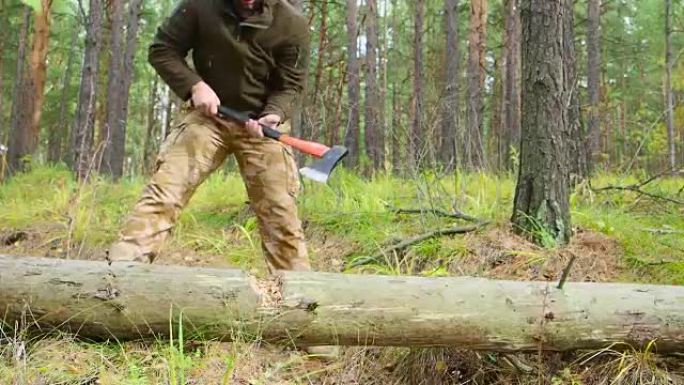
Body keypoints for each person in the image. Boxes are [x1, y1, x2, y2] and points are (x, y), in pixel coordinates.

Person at [106, 0, 311, 274]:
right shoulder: (199, 5)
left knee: (281, 216)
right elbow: (163, 50)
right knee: (163, 194)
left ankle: (298, 300)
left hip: (261, 126)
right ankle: (116, 281)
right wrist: (195, 86)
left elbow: (291, 85)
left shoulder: (292, 23)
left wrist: (274, 114)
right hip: (207, 119)